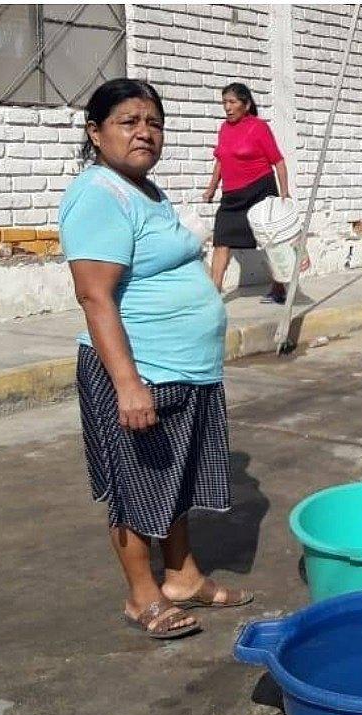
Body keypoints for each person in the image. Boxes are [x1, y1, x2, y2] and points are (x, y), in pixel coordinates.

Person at [62, 78, 252, 641]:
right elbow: (95, 296)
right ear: (96, 133)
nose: (145, 132)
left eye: (153, 122)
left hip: (185, 371)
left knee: (174, 482)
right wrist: (127, 384)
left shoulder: (145, 189)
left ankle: (183, 577)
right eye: (128, 121)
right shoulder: (100, 193)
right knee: (136, 486)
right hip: (140, 372)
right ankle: (141, 595)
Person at [202, 82, 295, 303]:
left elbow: (278, 161)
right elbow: (221, 160)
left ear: (246, 104)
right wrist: (211, 188)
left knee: (270, 241)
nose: (227, 107)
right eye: (224, 102)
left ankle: (279, 287)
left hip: (259, 190)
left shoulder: (258, 127)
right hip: (232, 196)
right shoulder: (224, 128)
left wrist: (284, 193)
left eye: (232, 102)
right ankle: (214, 294)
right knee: (221, 240)